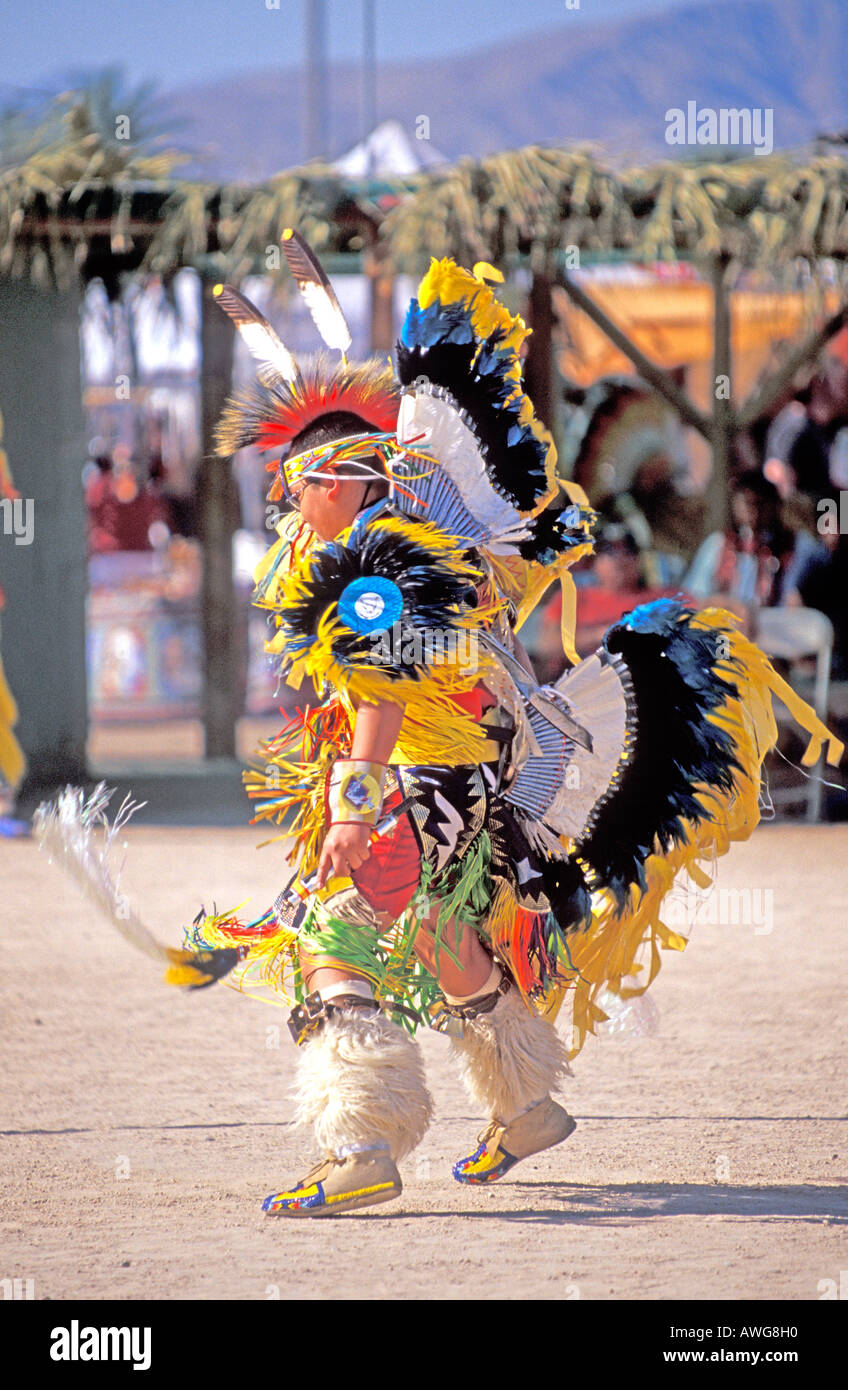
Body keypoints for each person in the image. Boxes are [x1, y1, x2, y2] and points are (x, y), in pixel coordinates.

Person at [44, 247, 841, 1219]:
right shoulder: (427, 544)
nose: (286, 500)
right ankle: (529, 1104)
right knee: (449, 935)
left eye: (296, 482)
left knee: (330, 944)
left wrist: (353, 801)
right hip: (464, 791)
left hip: (413, 788)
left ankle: (360, 1143)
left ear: (338, 477)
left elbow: (381, 690)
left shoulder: (372, 571)